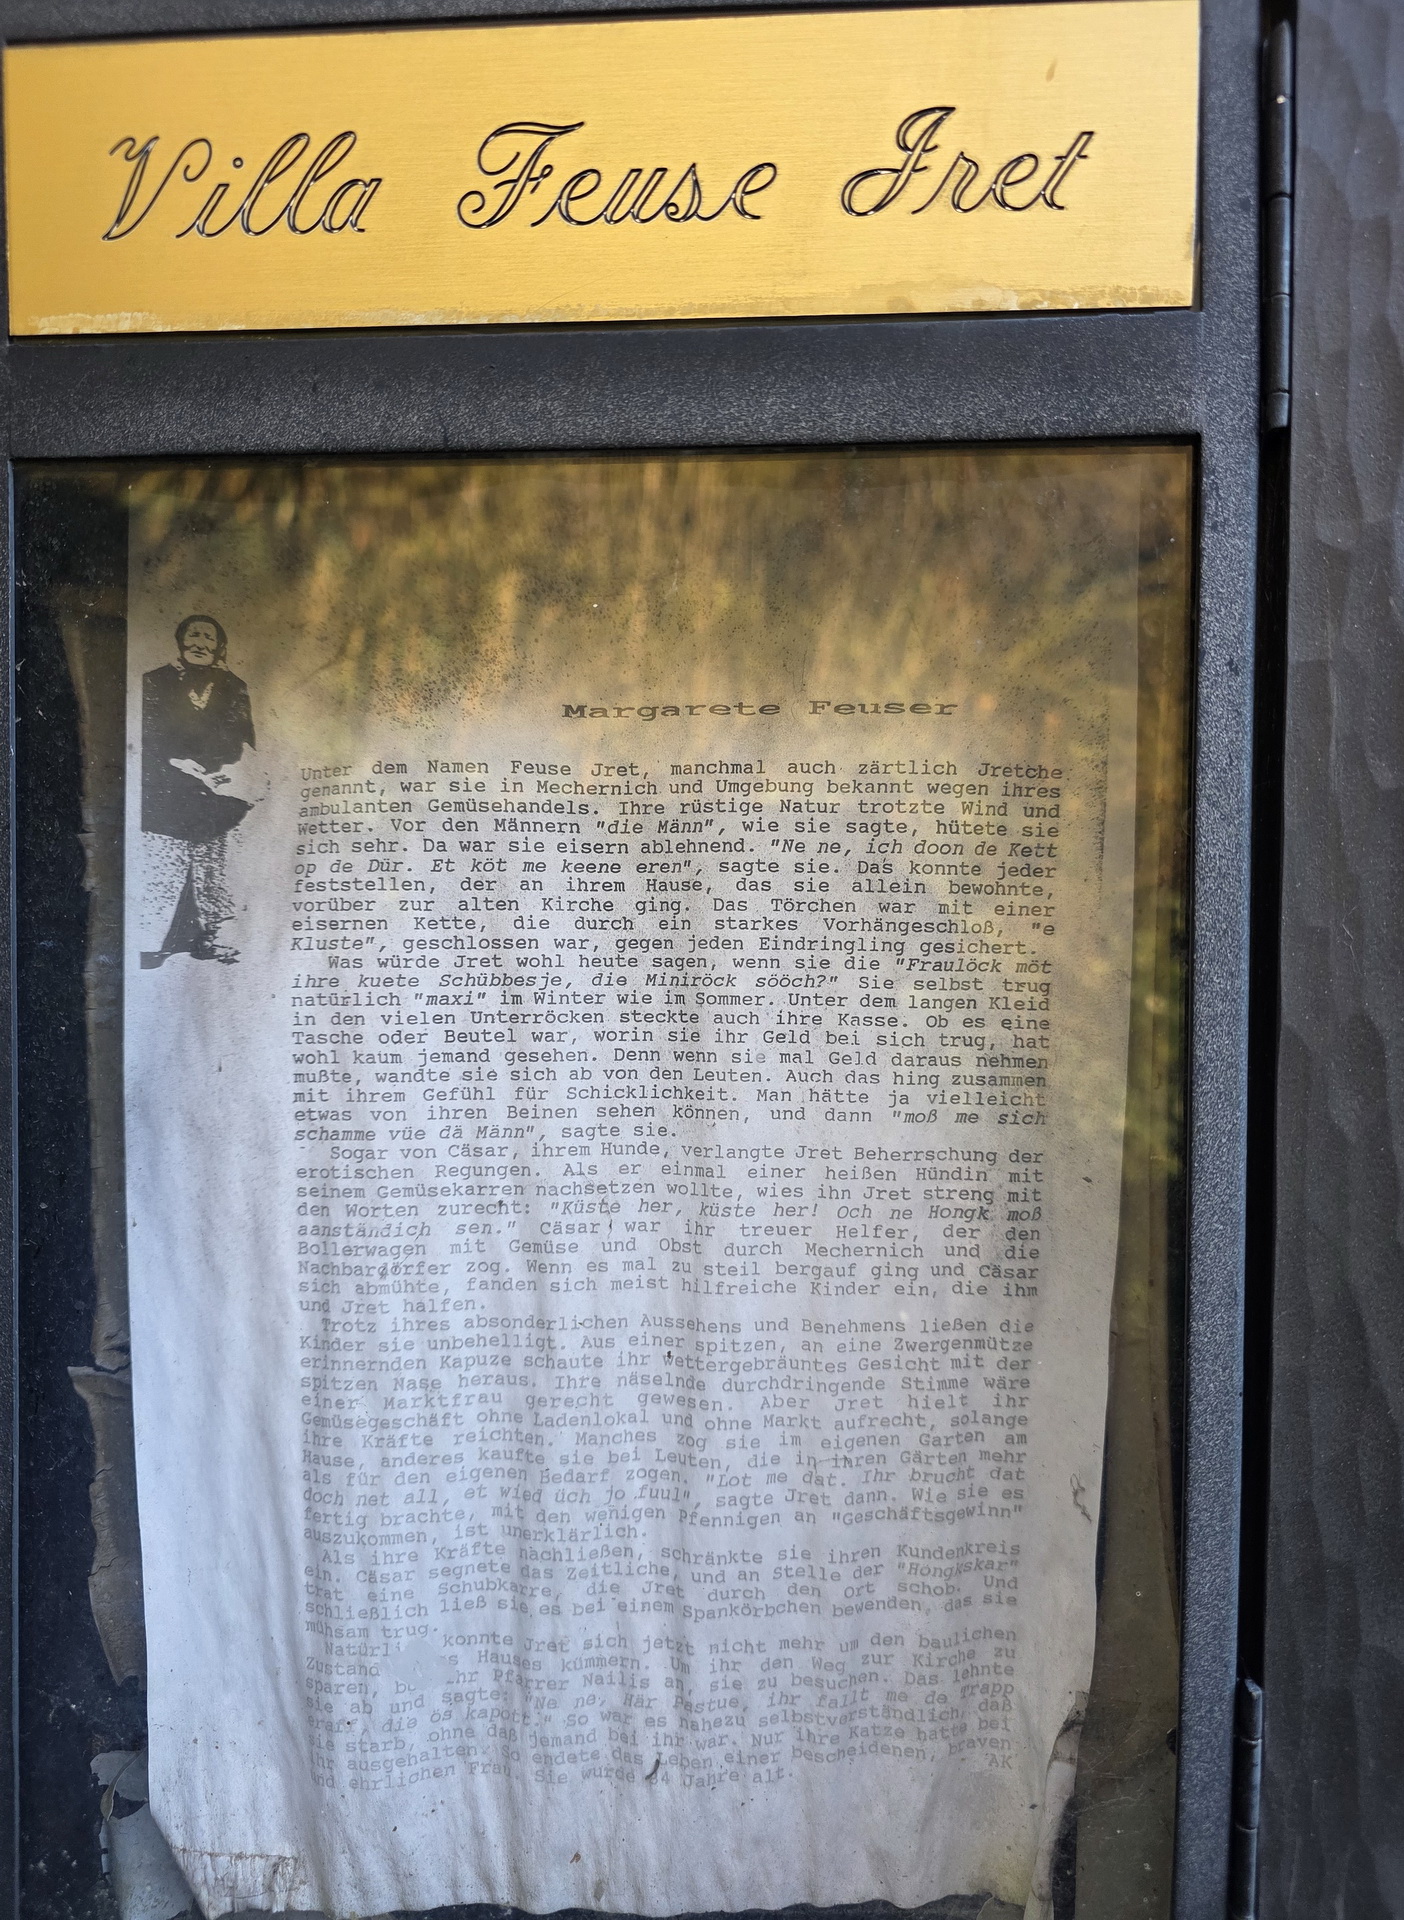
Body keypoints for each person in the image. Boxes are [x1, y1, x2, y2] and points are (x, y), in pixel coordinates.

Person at [140, 614, 255, 967]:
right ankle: (154, 939)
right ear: (180, 641)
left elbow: (243, 741)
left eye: (208, 637)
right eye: (193, 635)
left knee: (215, 854)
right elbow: (144, 739)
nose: (200, 643)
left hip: (213, 785)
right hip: (164, 782)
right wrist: (177, 765)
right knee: (165, 859)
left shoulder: (235, 686)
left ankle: (210, 936)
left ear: (220, 647)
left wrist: (219, 772)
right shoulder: (153, 681)